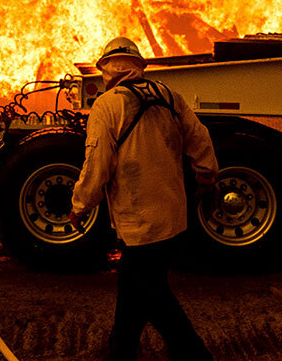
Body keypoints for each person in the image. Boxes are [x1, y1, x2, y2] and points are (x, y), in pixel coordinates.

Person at [69, 36, 219, 361]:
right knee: (135, 291)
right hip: (173, 219)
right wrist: (207, 175)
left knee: (151, 295)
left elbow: (98, 166)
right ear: (140, 66)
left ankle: (194, 355)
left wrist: (79, 206)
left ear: (105, 70)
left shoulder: (107, 106)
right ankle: (120, 353)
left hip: (140, 224)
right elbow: (200, 137)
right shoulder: (169, 96)